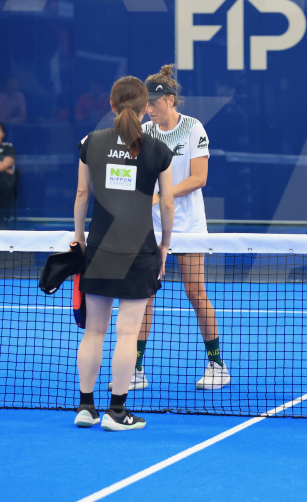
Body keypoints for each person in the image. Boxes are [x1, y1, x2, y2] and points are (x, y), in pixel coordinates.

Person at [110, 64, 229, 392]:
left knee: (195, 292)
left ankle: (217, 364)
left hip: (188, 226)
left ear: (170, 100)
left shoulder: (193, 128)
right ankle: (135, 369)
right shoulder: (143, 132)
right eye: (145, 104)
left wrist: (161, 195)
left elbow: (199, 178)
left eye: (154, 103)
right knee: (144, 297)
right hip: (149, 228)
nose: (148, 109)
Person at [73, 76, 174, 431]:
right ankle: (117, 412)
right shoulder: (158, 149)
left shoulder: (90, 143)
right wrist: (164, 246)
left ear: (111, 105)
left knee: (94, 331)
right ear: (145, 107)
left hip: (100, 249)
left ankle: (86, 408)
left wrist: (79, 239)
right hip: (139, 251)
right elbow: (167, 204)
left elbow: (82, 194)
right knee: (127, 334)